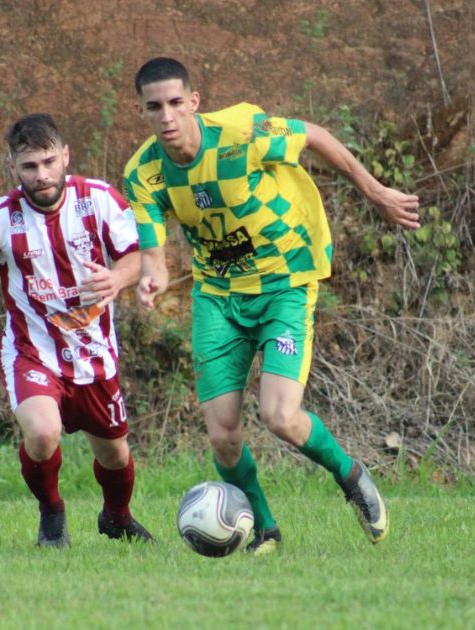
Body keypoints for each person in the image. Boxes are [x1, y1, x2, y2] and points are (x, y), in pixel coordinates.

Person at [122, 57, 421, 555]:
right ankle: (266, 529)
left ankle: (351, 476)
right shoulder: (144, 173)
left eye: (176, 103)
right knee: (222, 435)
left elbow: (315, 136)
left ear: (194, 102)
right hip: (218, 297)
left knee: (281, 417)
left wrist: (374, 191)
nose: (168, 116)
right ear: (142, 112)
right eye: (155, 107)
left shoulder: (241, 133)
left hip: (284, 280)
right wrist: (151, 278)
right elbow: (153, 253)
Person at [0, 114, 153, 548]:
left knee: (116, 454)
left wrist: (120, 279)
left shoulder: (99, 200)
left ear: (65, 156)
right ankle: (52, 514)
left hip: (94, 354)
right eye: (29, 166)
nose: (41, 175)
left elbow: (139, 256)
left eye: (48, 162)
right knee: (43, 433)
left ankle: (117, 518)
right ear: (12, 167)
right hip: (33, 352)